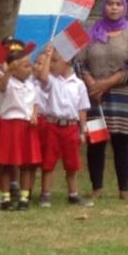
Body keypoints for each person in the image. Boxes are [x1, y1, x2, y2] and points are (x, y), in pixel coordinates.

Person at [75, 0, 128, 200]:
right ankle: (97, 188)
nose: (114, 7)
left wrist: (104, 84)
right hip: (96, 99)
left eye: (118, 4)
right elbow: (79, 62)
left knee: (122, 142)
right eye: (110, 3)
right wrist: (92, 84)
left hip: (124, 99)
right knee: (96, 142)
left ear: (124, 7)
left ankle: (124, 189)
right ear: (103, 6)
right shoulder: (90, 32)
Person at [35, 45, 89, 206]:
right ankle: (46, 193)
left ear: (67, 62)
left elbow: (82, 109)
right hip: (53, 126)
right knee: (48, 162)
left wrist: (83, 131)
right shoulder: (52, 80)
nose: (51, 65)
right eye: (50, 62)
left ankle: (73, 193)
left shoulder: (78, 84)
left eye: (55, 61)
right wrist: (48, 55)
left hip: (71, 127)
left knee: (72, 163)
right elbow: (43, 77)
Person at [0, 41, 41, 211]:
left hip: (26, 126)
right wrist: (9, 71)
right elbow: (3, 86)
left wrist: (34, 114)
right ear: (14, 68)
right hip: (9, 125)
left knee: (27, 164)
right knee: (6, 164)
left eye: (30, 65)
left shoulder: (31, 85)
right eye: (25, 66)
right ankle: (6, 198)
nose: (30, 68)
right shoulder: (5, 80)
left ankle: (24, 197)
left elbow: (35, 103)